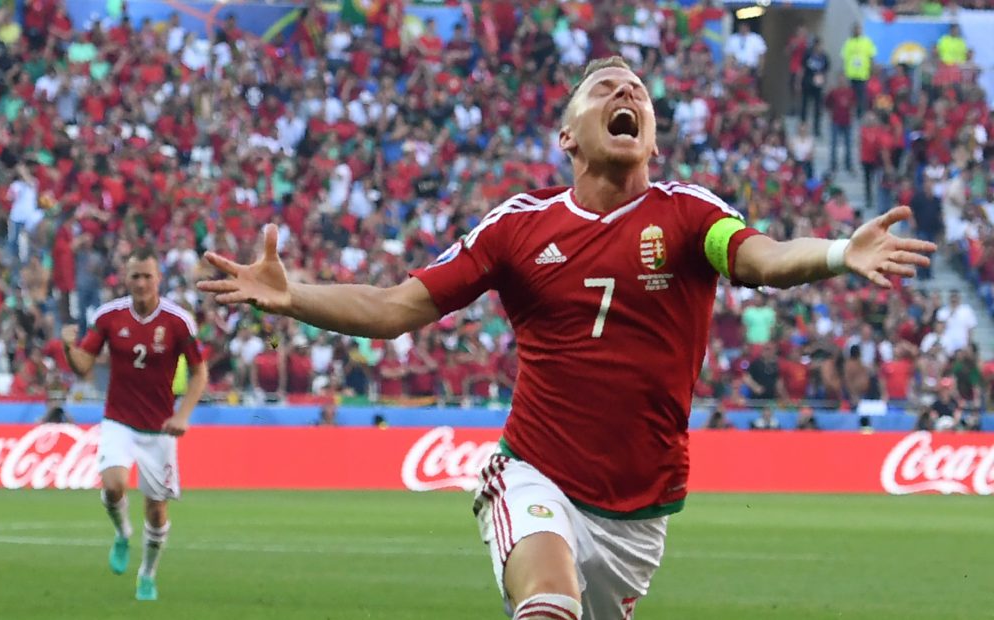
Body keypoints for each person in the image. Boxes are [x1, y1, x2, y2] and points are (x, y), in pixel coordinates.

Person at [198, 56, 934, 619]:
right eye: (606, 89)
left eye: (638, 92)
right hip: (533, 472)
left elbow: (766, 260)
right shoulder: (518, 226)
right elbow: (398, 307)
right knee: (548, 603)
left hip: (640, 509)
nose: (627, 96)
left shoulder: (687, 215)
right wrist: (295, 297)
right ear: (567, 134)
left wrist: (841, 252)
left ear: (652, 134)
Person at [62, 246, 208, 602]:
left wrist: (183, 415)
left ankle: (147, 573)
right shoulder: (109, 316)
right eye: (135, 276)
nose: (141, 283)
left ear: (159, 278)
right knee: (113, 485)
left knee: (157, 509)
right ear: (125, 279)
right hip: (119, 420)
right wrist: (68, 348)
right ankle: (123, 533)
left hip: (160, 427)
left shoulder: (178, 321)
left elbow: (199, 371)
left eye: (147, 276)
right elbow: (84, 366)